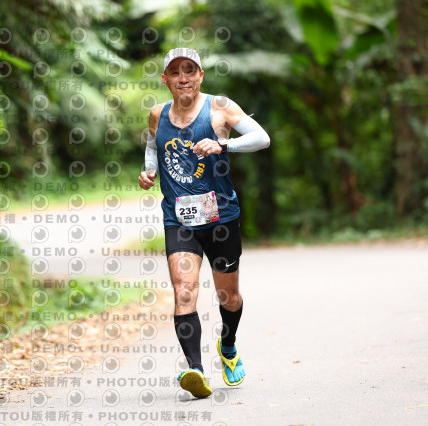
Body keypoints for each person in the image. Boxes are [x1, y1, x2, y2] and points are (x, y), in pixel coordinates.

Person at [138, 47, 270, 398]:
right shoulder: (157, 114)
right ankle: (195, 369)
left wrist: (224, 145)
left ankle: (228, 344)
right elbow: (153, 146)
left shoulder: (219, 107)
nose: (183, 78)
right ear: (165, 79)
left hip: (221, 217)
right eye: (175, 72)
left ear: (200, 75)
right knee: (184, 290)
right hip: (179, 218)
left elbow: (262, 138)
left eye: (190, 70)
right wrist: (149, 170)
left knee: (229, 296)